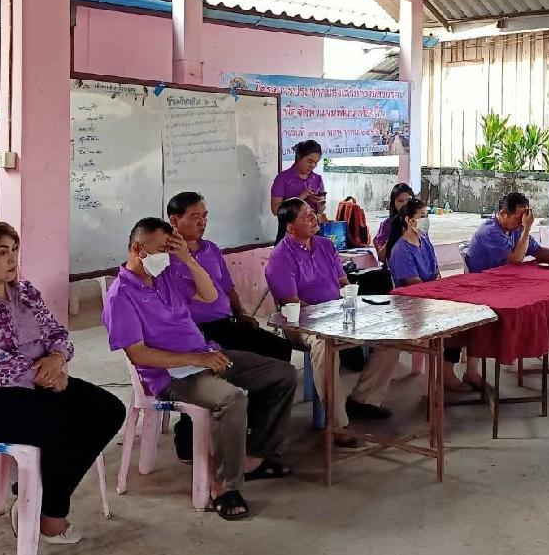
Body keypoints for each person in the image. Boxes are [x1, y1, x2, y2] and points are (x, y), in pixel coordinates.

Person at [0, 219, 124, 544]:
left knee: (109, 409)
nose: (12, 259)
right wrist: (42, 375)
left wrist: (57, 359)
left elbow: (56, 332)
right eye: (2, 252)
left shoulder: (24, 293)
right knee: (68, 427)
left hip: (42, 383)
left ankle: (34, 497)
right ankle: (50, 514)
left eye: (14, 250)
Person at [103, 218, 297, 521]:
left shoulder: (166, 276)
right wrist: (195, 359)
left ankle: (256, 456)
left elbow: (210, 295)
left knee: (283, 374)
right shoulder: (120, 296)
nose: (165, 257)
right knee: (232, 399)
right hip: (170, 375)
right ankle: (224, 486)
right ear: (138, 249)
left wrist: (186, 258)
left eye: (169, 250)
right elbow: (138, 353)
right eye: (160, 250)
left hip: (206, 355)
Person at [164, 191, 292, 461]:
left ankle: (254, 423)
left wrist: (241, 313)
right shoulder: (165, 258)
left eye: (204, 216)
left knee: (278, 348)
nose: (202, 222)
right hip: (193, 331)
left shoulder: (210, 249)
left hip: (224, 323)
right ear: (175, 220)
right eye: (194, 217)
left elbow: (227, 286)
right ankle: (187, 434)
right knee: (205, 371)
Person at [266, 198, 400, 448]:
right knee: (323, 346)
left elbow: (343, 282)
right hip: (303, 323)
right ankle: (337, 423)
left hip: (339, 313)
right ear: (290, 227)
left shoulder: (325, 245)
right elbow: (292, 304)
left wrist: (350, 300)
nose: (313, 216)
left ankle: (364, 399)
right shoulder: (280, 257)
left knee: (392, 334)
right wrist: (327, 316)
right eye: (305, 215)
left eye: (311, 212)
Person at [386, 198, 483, 392]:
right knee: (457, 321)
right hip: (412, 305)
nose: (426, 220)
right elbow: (416, 285)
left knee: (474, 313)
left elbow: (436, 273)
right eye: (422, 216)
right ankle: (446, 374)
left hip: (432, 298)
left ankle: (470, 371)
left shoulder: (424, 241)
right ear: (409, 220)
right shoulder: (401, 250)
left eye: (426, 215)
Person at [464, 192, 549, 273]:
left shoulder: (517, 229)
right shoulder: (489, 231)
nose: (522, 222)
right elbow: (515, 259)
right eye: (519, 218)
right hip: (480, 280)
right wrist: (527, 228)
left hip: (503, 276)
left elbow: (537, 250)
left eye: (525, 217)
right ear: (503, 214)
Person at [270, 140, 327, 221]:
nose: (313, 165)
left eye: (316, 162)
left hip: (312, 226)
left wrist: (320, 205)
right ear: (299, 157)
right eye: (310, 161)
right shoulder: (283, 178)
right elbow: (275, 210)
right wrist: (300, 198)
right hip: (290, 227)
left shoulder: (317, 179)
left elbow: (320, 211)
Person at [373, 182, 415, 261]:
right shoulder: (387, 225)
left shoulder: (418, 222)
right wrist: (394, 237)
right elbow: (381, 257)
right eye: (400, 201)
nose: (405, 204)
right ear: (393, 203)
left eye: (409, 200)